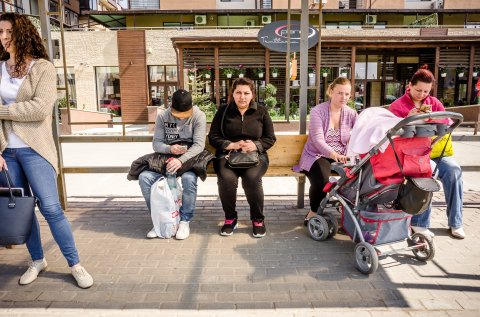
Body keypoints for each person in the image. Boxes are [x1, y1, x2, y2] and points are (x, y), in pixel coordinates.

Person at [0, 13, 93, 288]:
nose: (4, 37)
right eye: (0, 32)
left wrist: (2, 111)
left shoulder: (42, 68)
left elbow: (40, 109)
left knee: (51, 209)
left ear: (22, 32)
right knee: (23, 210)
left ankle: (75, 263)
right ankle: (37, 260)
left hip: (35, 150)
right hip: (7, 152)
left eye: (8, 31)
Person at [389, 65, 465, 239]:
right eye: (418, 90)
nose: (422, 95)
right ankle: (419, 223)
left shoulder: (434, 102)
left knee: (454, 171)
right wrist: (407, 118)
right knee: (427, 172)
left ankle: (456, 222)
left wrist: (437, 118)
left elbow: (447, 120)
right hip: (412, 155)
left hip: (436, 151)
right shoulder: (398, 105)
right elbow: (392, 131)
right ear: (409, 85)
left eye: (426, 91)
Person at [208, 78, 276, 238]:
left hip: (255, 156)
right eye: (238, 92)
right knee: (226, 179)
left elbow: (270, 138)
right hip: (227, 156)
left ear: (252, 94)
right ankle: (230, 218)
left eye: (246, 93)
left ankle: (258, 220)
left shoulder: (261, 111)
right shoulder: (223, 111)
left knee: (252, 179)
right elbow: (213, 136)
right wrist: (231, 145)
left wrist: (256, 145)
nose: (242, 97)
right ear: (233, 93)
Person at [138, 89, 206, 240]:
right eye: (177, 115)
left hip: (189, 160)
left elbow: (199, 145)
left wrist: (180, 160)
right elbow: (156, 143)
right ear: (171, 107)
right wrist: (169, 149)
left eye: (185, 115)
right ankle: (160, 219)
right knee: (144, 178)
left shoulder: (199, 116)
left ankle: (184, 220)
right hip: (166, 159)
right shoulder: (163, 116)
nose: (181, 118)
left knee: (189, 179)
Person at [294, 77, 357, 225]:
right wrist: (333, 154)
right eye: (340, 93)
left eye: (347, 94)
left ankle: (348, 209)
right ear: (331, 92)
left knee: (358, 175)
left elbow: (362, 131)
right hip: (317, 154)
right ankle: (314, 212)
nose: (344, 97)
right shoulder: (318, 111)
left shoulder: (351, 113)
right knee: (322, 179)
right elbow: (317, 139)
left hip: (341, 155)